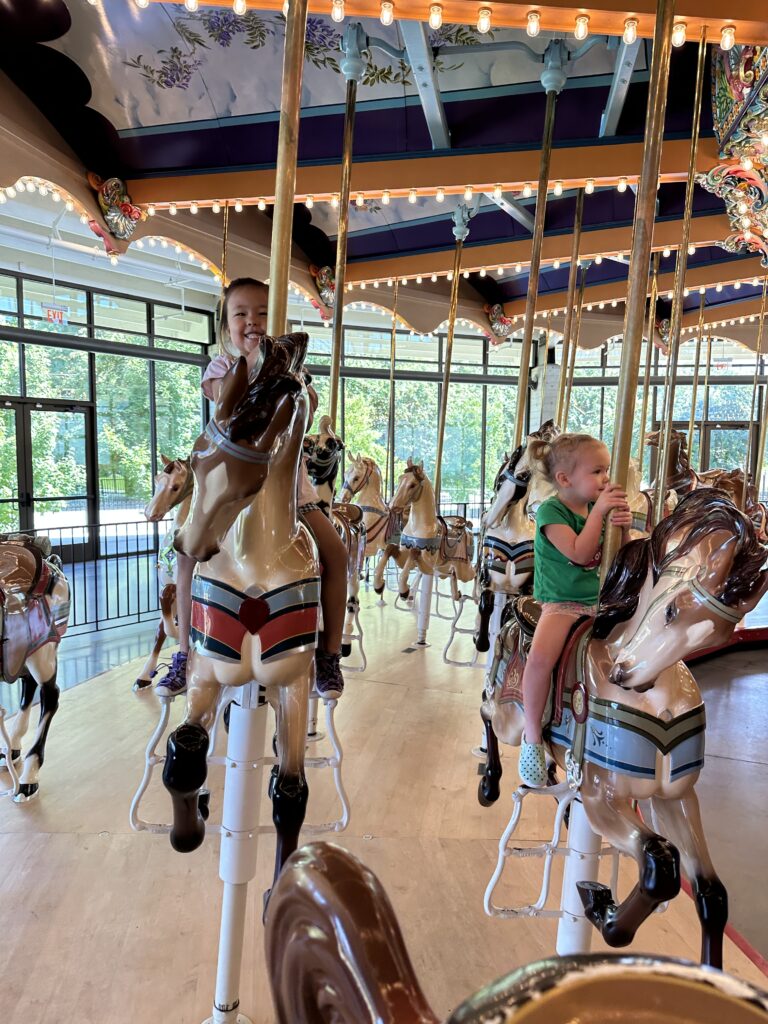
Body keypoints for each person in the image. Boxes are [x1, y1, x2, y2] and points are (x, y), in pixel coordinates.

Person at [155, 277, 348, 700]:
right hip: (229, 496)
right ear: (226, 326)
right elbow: (230, 402)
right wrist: (256, 364)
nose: (251, 321)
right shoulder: (223, 368)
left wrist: (287, 374)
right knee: (186, 557)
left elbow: (308, 409)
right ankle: (185, 651)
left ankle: (329, 654)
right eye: (240, 314)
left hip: (290, 496)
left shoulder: (297, 378)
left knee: (335, 552)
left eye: (262, 313)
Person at [518, 433, 632, 788]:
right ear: (565, 480)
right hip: (563, 604)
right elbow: (581, 554)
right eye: (597, 471)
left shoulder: (598, 510)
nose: (606, 479)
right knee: (540, 659)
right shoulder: (551, 511)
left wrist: (623, 529)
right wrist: (600, 514)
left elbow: (620, 560)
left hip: (599, 603)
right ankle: (532, 735)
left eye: (607, 470)